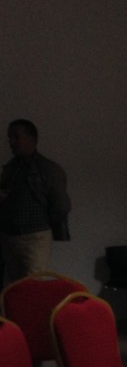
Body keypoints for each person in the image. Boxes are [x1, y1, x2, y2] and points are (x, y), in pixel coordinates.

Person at [0, 119, 71, 284]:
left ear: (32, 139)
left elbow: (61, 206)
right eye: (10, 137)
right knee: (14, 288)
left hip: (35, 237)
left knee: (33, 286)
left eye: (16, 137)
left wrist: (43, 223)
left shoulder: (49, 169)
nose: (11, 142)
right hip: (10, 237)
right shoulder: (10, 168)